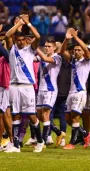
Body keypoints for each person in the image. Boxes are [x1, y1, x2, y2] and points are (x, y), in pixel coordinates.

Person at [4, 14, 44, 153]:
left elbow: (38, 37)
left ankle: (40, 141)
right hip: (14, 85)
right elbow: (8, 35)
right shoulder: (12, 49)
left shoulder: (30, 49)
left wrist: (28, 24)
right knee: (15, 115)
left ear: (26, 40)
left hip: (27, 86)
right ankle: (16, 145)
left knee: (32, 115)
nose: (21, 42)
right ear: (15, 41)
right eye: (18, 40)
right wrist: (19, 22)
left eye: (23, 40)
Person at [60, 28, 90, 149]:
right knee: (68, 118)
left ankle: (72, 143)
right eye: (75, 50)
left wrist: (76, 38)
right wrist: (67, 39)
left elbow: (86, 50)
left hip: (80, 92)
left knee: (75, 117)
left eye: (79, 50)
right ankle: (85, 133)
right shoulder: (73, 60)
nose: (77, 52)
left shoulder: (87, 61)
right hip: (71, 92)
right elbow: (62, 51)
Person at [35, 37, 65, 147]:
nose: (47, 48)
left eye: (49, 46)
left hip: (50, 90)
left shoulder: (57, 58)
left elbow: (46, 59)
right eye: (46, 46)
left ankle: (43, 140)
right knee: (39, 116)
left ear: (54, 48)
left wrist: (35, 47)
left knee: (45, 114)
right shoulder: (41, 56)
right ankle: (58, 133)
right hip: (41, 90)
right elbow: (33, 59)